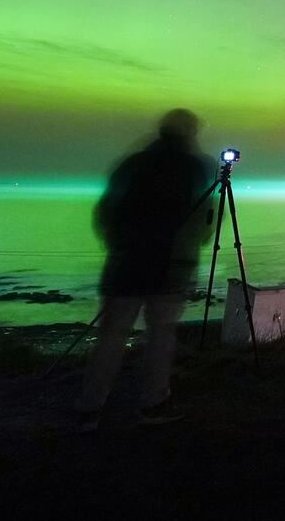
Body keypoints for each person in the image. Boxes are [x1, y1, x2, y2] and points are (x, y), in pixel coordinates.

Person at [75, 108, 214, 432]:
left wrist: (117, 245)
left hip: (124, 265)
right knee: (161, 336)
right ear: (190, 134)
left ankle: (90, 408)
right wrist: (188, 250)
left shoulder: (132, 164)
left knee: (111, 337)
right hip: (171, 267)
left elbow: (105, 211)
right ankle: (153, 403)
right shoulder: (195, 169)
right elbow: (204, 222)